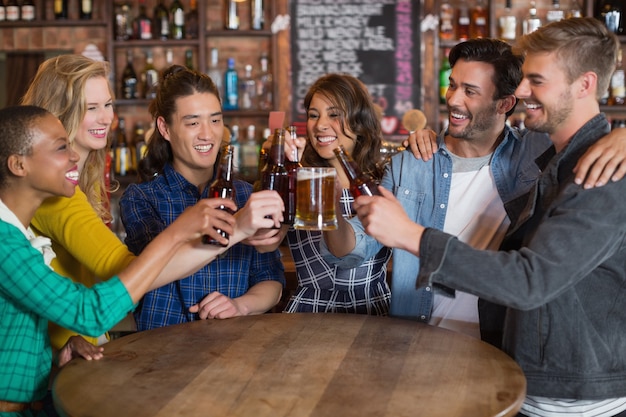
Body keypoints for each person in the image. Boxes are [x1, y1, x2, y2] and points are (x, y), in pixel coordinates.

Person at [341, 18, 626, 416]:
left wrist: (411, 235)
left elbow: (529, 280)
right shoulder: (561, 160)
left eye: (536, 81)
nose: (523, 92)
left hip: (572, 396)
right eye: (524, 79)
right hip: (526, 376)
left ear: (584, 84)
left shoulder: (600, 171)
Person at [0, 105, 253, 415]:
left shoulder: (17, 236)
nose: (74, 156)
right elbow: (89, 312)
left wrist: (55, 355)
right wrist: (176, 233)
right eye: (61, 147)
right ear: (18, 165)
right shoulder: (4, 243)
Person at [19, 54, 249, 351]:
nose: (105, 118)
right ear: (59, 114)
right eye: (91, 108)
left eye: (108, 104)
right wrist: (237, 230)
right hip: (56, 363)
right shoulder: (56, 195)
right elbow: (127, 273)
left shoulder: (78, 183)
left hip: (78, 347)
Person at [119, 65, 285, 331]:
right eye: (193, 122)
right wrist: (238, 227)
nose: (208, 134)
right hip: (160, 352)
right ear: (165, 128)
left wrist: (240, 305)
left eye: (215, 120)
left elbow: (272, 280)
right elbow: (148, 275)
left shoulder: (245, 195)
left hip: (231, 350)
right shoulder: (142, 198)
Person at [282, 73, 391, 314]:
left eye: (334, 115)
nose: (320, 125)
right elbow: (264, 243)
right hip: (308, 312)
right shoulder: (298, 180)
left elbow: (347, 251)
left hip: (370, 313)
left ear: (359, 122)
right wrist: (283, 172)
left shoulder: (383, 186)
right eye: (313, 115)